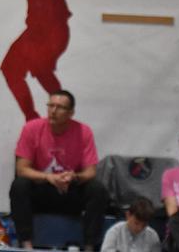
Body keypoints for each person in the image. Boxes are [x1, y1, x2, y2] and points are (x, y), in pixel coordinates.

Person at [9, 90, 109, 250]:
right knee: (19, 185)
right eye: (51, 105)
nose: (53, 111)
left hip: (69, 191)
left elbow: (91, 172)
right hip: (42, 190)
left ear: (71, 113)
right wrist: (49, 178)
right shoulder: (31, 128)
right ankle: (26, 244)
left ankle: (90, 246)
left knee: (97, 189)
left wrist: (74, 177)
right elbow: (22, 169)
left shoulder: (84, 131)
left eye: (60, 107)